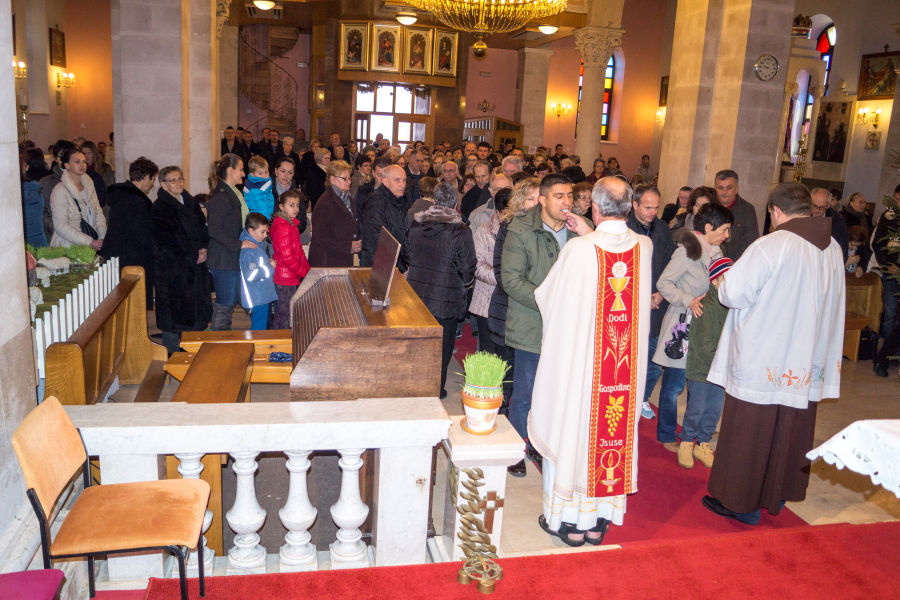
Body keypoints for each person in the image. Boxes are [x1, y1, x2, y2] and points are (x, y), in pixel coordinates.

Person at [703, 183, 844, 525]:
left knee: (751, 430)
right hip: (805, 358)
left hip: (765, 355)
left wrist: (722, 276)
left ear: (776, 211)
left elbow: (733, 294)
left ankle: (740, 503)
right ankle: (776, 495)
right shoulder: (833, 247)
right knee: (789, 431)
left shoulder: (771, 245)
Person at [529, 176, 652, 546]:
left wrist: (586, 235)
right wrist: (590, 231)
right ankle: (598, 522)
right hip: (621, 373)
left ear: (594, 208)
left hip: (583, 371)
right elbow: (613, 248)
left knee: (575, 432)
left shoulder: (579, 250)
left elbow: (547, 297)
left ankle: (569, 521)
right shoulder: (643, 247)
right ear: (630, 207)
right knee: (609, 435)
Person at [502, 173, 582, 477]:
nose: (566, 202)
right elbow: (512, 280)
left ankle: (539, 443)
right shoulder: (521, 229)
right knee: (525, 393)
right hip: (532, 324)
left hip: (569, 328)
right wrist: (550, 301)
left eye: (570, 195)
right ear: (543, 199)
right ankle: (515, 448)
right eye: (559, 196)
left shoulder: (578, 229)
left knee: (553, 393)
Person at [406, 181, 476, 399]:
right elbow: (468, 267)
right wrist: (465, 282)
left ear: (434, 201)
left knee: (420, 343)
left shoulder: (417, 224)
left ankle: (416, 384)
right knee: (443, 346)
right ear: (456, 204)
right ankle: (436, 390)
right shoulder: (460, 231)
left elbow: (407, 255)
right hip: (446, 298)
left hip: (417, 295)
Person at [626, 185, 676, 421]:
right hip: (632, 304)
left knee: (655, 359)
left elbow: (671, 264)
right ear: (634, 205)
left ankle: (643, 398)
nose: (652, 212)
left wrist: (661, 293)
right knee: (631, 359)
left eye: (656, 207)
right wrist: (642, 296)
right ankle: (627, 400)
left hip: (658, 304)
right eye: (647, 207)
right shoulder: (625, 228)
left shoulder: (662, 229)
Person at [679, 255, 733, 468]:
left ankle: (703, 443)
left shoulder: (731, 305)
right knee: (697, 407)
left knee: (714, 408)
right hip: (703, 368)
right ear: (715, 280)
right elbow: (704, 342)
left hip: (721, 369)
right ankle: (686, 441)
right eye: (727, 278)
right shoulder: (706, 305)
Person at [151, 165, 211, 355]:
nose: (178, 183)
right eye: (173, 180)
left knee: (195, 311)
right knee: (174, 314)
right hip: (173, 269)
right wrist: (192, 254)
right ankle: (171, 353)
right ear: (163, 184)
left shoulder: (190, 201)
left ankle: (193, 347)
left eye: (180, 179)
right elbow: (165, 241)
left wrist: (204, 248)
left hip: (195, 266)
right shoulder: (159, 208)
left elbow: (202, 227)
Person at [99, 157, 160, 306]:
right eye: (153, 179)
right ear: (146, 178)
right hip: (131, 261)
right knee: (134, 305)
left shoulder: (123, 196)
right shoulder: (136, 201)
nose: (153, 184)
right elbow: (142, 236)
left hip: (118, 258)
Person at [207, 153, 248, 331]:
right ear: (231, 170)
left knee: (230, 301)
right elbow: (214, 230)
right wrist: (239, 244)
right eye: (241, 169)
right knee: (225, 303)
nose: (244, 174)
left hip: (231, 257)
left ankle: (223, 339)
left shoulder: (233, 194)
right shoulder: (221, 197)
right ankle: (218, 340)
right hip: (223, 259)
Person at [470, 187, 511, 357]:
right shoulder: (484, 231)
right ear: (500, 212)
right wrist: (504, 279)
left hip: (510, 304)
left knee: (506, 354)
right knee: (488, 351)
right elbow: (477, 265)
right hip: (486, 300)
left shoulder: (519, 233)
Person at [49, 148, 106, 250]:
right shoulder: (60, 190)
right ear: (67, 165)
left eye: (84, 161)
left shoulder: (89, 185)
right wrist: (88, 241)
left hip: (91, 244)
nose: (82, 165)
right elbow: (60, 225)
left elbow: (98, 213)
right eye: (77, 161)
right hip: (68, 247)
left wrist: (102, 237)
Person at [308, 160, 361, 267]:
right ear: (332, 179)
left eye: (349, 178)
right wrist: (349, 246)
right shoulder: (325, 203)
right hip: (327, 261)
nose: (349, 182)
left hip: (341, 258)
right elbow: (321, 237)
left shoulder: (347, 197)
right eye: (344, 179)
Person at [872, 184, 900, 377]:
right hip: (891, 273)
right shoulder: (889, 216)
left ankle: (891, 356)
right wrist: (887, 265)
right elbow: (878, 244)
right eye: (897, 199)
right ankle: (884, 358)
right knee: (890, 315)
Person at [361, 164, 408, 271]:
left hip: (394, 265)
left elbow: (401, 235)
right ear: (385, 181)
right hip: (380, 268)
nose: (402, 185)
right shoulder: (376, 203)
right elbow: (379, 242)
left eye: (404, 180)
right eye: (397, 180)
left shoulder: (399, 201)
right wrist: (401, 267)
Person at [239, 213, 277, 331]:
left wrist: (266, 262)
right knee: (259, 330)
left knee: (262, 327)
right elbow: (251, 274)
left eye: (266, 232)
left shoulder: (256, 244)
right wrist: (270, 267)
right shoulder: (249, 250)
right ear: (251, 230)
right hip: (257, 297)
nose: (265, 235)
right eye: (262, 232)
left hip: (262, 294)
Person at [713, 169, 758, 260]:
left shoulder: (747, 209)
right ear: (715, 189)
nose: (724, 192)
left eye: (729, 188)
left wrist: (734, 264)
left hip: (734, 262)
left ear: (736, 189)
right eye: (720, 188)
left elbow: (750, 241)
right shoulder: (709, 206)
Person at [20, 149, 51, 247]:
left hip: (19, 245)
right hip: (39, 242)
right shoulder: (35, 189)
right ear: (27, 167)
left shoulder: (14, 193)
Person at [271, 156, 307, 234]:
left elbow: (302, 223)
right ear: (276, 171)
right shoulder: (266, 190)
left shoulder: (298, 195)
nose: (286, 175)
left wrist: (287, 231)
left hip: (290, 234)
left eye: (290, 172)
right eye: (283, 171)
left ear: (293, 174)